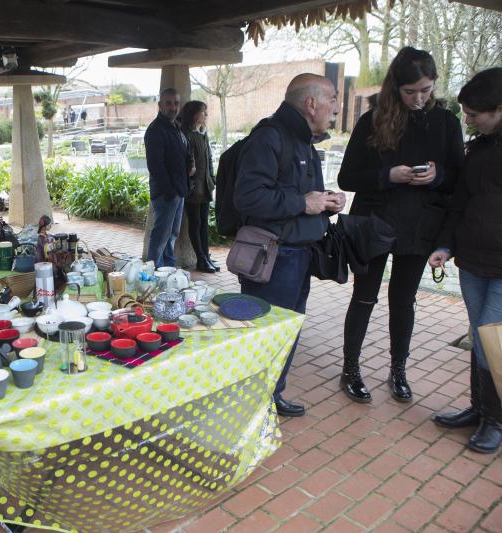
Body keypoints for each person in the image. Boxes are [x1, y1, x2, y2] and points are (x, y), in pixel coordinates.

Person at [338, 47, 464, 404]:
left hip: (420, 225)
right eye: (410, 92)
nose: (419, 98)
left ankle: (398, 370)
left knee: (403, 301)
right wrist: (387, 176)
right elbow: (347, 177)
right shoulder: (373, 119)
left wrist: (438, 177)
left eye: (426, 90)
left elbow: (459, 179)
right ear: (396, 87)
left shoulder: (446, 122)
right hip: (375, 221)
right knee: (364, 297)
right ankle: (350, 369)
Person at [235, 74, 345, 417]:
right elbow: (248, 197)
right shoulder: (270, 137)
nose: (337, 108)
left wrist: (326, 201)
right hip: (274, 257)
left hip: (298, 255)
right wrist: (303, 203)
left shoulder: (302, 140)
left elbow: (302, 195)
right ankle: (255, 405)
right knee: (267, 335)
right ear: (311, 103)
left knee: (286, 332)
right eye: (332, 99)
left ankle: (271, 395)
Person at [429, 67, 502, 453]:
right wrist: (445, 245)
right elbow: (459, 203)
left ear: (499, 109)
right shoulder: (480, 149)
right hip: (473, 262)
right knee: (479, 334)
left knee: (493, 338)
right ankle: (479, 408)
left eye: (474, 114)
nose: (468, 120)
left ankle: (496, 419)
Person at [145, 88, 194, 268]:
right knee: (160, 237)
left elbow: (182, 154)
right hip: (166, 194)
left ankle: (168, 270)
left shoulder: (175, 127)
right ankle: (153, 274)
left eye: (176, 103)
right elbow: (155, 166)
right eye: (168, 103)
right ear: (160, 105)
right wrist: (170, 192)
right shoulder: (155, 130)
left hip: (178, 191)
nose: (173, 107)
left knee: (172, 235)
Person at [178, 100, 218, 273]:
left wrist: (212, 178)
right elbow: (188, 162)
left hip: (205, 186)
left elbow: (209, 158)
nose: (206, 115)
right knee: (195, 223)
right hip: (194, 189)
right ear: (194, 114)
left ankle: (206, 256)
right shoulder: (187, 135)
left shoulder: (202, 133)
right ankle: (201, 259)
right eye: (203, 112)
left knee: (203, 224)